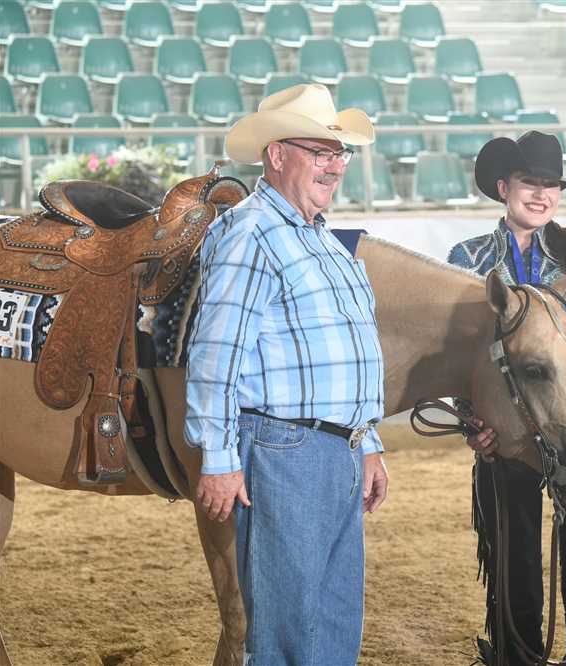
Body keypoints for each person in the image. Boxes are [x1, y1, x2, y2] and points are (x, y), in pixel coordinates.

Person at [184, 84, 389, 665]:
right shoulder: (251, 232)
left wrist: (368, 442)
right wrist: (218, 458)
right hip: (284, 449)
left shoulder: (322, 238)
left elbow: (352, 351)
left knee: (335, 617)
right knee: (287, 625)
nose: (336, 166)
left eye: (340, 153)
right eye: (321, 152)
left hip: (336, 448)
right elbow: (216, 353)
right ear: (276, 154)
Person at [448, 130, 566, 666]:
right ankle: (515, 656)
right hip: (505, 435)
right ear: (505, 187)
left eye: (552, 185)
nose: (543, 194)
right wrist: (473, 422)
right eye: (531, 182)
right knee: (512, 562)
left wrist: (562, 369)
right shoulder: (467, 259)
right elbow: (455, 361)